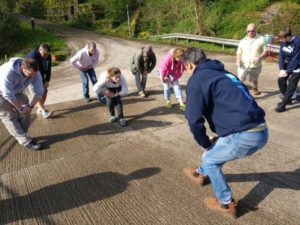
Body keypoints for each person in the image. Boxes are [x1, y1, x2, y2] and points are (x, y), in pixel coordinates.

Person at [182, 47, 268, 218]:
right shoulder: (225, 74)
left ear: (190, 65)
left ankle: (226, 203)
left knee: (210, 157)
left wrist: (205, 143)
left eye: (185, 68)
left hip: (245, 134)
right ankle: (200, 173)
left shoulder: (197, 80)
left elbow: (193, 119)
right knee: (219, 146)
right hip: (261, 129)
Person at [0, 58, 44, 150]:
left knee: (26, 113)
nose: (33, 76)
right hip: (1, 93)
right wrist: (20, 108)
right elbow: (8, 94)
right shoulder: (8, 72)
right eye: (30, 74)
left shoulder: (34, 71)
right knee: (9, 116)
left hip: (17, 91)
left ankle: (20, 135)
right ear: (22, 68)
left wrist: (30, 106)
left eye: (34, 74)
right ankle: (26, 141)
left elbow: (39, 90)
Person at [236, 23, 267, 95]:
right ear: (246, 31)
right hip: (243, 64)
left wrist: (259, 57)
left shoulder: (262, 39)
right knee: (240, 79)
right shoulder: (242, 41)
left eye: (252, 31)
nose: (250, 33)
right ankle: (239, 94)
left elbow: (265, 51)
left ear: (256, 30)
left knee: (254, 80)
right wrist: (238, 60)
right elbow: (238, 53)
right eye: (248, 31)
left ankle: (255, 88)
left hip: (255, 65)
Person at [275, 27, 300, 113]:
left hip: (298, 65)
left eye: (283, 39)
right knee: (281, 80)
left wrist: (288, 71)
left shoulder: (297, 42)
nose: (281, 41)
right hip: (288, 64)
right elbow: (281, 55)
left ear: (288, 37)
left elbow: (296, 59)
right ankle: (288, 99)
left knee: (291, 85)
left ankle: (283, 105)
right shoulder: (283, 42)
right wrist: (282, 69)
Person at [26, 43, 53, 118]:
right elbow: (38, 70)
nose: (46, 56)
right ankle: (44, 111)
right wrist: (43, 82)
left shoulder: (47, 55)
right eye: (44, 54)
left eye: (47, 54)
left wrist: (47, 80)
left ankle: (40, 108)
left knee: (44, 92)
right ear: (40, 49)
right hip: (30, 76)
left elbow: (48, 68)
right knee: (36, 93)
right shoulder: (33, 56)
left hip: (40, 76)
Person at [159, 47, 186, 111]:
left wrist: (173, 79)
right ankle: (168, 100)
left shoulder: (181, 60)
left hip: (172, 72)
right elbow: (163, 69)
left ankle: (181, 103)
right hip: (164, 71)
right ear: (175, 55)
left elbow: (180, 71)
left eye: (181, 58)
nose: (180, 59)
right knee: (166, 86)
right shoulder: (168, 58)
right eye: (179, 57)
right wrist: (163, 79)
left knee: (177, 86)